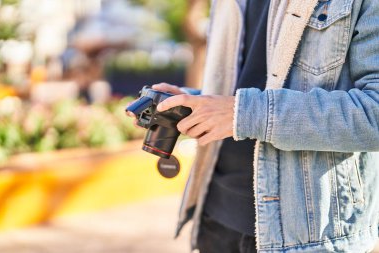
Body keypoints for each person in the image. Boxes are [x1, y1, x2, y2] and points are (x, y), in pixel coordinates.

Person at [128, 0, 379, 252]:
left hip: (310, 237)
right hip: (216, 217)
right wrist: (193, 104)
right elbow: (244, 86)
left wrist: (241, 113)